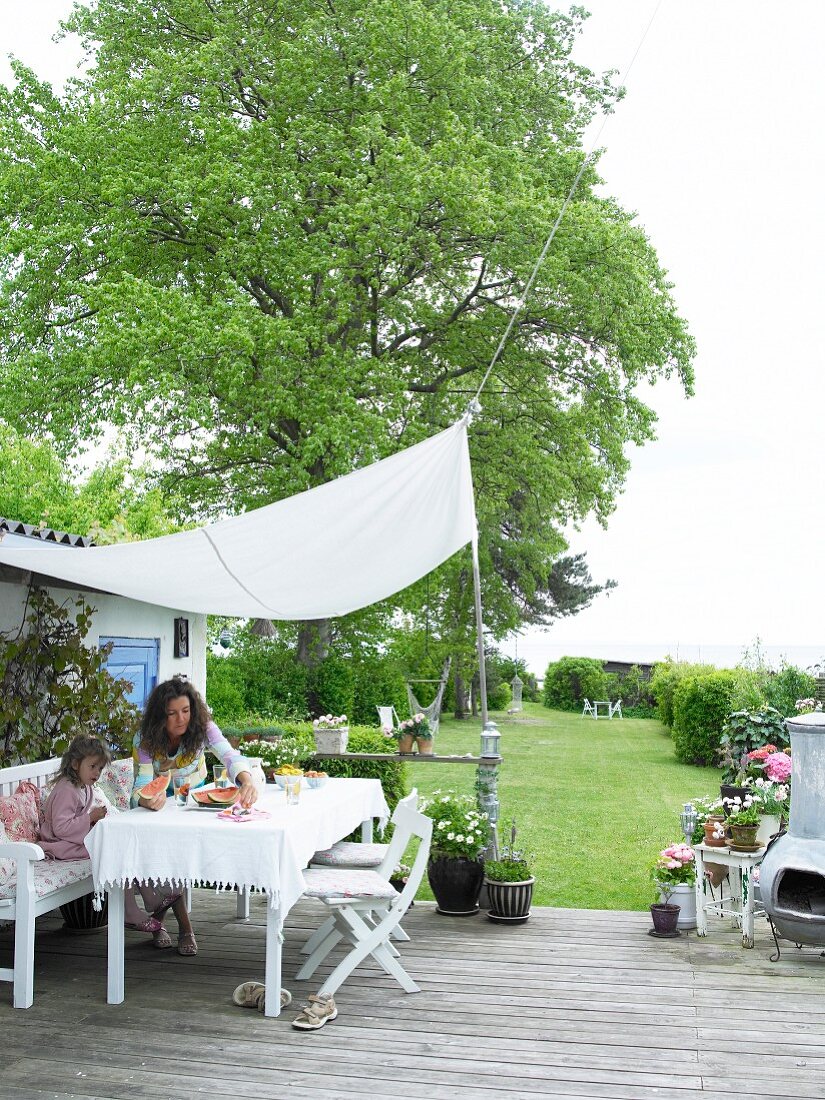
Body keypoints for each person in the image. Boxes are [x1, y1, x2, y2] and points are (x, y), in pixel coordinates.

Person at [130, 677, 260, 955]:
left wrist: (246, 781)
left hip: (194, 803)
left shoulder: (204, 729)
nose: (181, 719)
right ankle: (185, 928)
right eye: (172, 713)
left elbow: (229, 755)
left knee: (178, 862)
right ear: (159, 715)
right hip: (160, 809)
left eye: (186, 711)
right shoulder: (144, 739)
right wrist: (146, 798)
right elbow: (139, 789)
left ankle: (160, 923)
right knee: (169, 861)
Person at [39, 734, 168, 934]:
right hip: (61, 844)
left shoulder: (84, 787)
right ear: (74, 764)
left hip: (74, 839)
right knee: (115, 852)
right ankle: (132, 909)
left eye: (99, 768)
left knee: (122, 843)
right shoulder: (67, 790)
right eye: (92, 767)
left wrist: (93, 819)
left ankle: (148, 896)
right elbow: (61, 829)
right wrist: (89, 818)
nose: (97, 773)